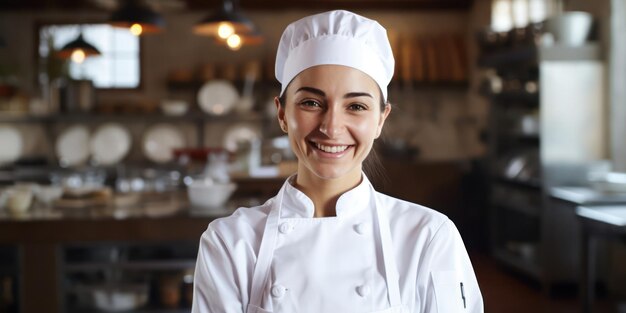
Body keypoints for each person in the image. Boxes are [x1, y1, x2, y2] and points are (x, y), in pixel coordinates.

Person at [192, 10, 483, 313]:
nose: (331, 128)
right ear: (282, 114)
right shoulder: (230, 243)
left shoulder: (429, 237)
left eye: (356, 106)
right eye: (311, 103)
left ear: (381, 120)